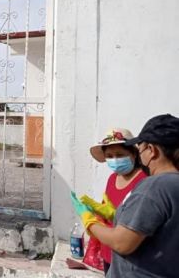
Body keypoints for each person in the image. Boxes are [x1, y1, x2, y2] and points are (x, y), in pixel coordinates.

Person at [71, 114, 179, 278]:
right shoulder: (172, 184)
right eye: (109, 155)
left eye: (141, 149)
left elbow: (122, 243)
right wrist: (113, 214)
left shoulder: (153, 186)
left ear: (152, 150)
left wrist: (88, 220)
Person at [82, 128, 148, 273]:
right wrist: (94, 210)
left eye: (120, 154)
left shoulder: (144, 180)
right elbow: (107, 210)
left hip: (130, 256)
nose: (115, 160)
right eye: (109, 156)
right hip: (108, 250)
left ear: (134, 154)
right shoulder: (112, 179)